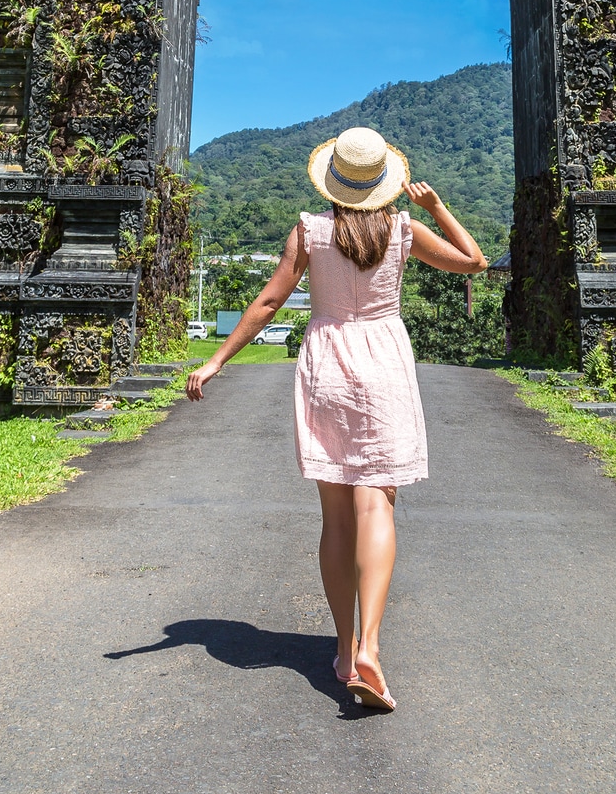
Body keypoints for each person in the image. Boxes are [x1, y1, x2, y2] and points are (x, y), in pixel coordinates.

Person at [185, 125, 486, 712]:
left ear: (333, 182)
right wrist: (436, 205)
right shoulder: (404, 228)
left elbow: (269, 301)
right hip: (386, 364)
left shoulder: (309, 230)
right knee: (377, 503)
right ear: (386, 184)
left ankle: (345, 649)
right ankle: (372, 646)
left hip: (327, 366)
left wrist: (218, 359)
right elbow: (474, 261)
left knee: (336, 516)